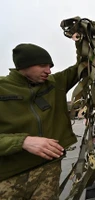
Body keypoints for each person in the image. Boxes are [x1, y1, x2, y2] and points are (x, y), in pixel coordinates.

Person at [0, 43, 83, 199]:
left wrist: (81, 37)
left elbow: (84, 65)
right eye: (42, 65)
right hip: (9, 177)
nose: (48, 71)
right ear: (24, 65)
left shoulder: (55, 83)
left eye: (50, 66)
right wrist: (23, 141)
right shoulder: (2, 88)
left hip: (49, 170)